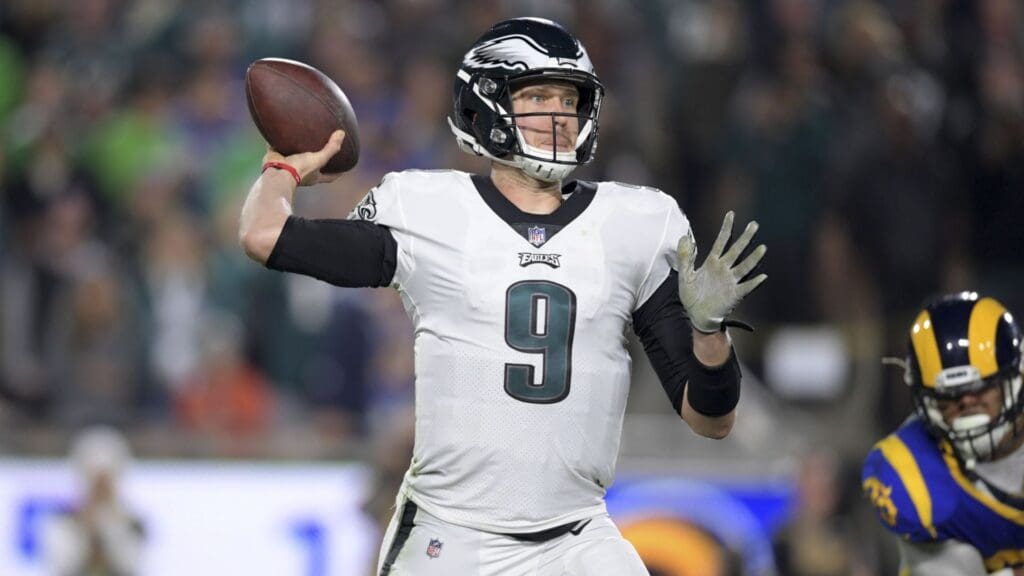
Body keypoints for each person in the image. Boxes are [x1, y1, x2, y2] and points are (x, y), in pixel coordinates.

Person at [239, 17, 766, 576]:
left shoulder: (639, 223)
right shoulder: (425, 208)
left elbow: (712, 419)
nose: (558, 115)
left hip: (577, 536)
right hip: (451, 534)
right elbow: (264, 236)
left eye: (569, 99)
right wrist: (284, 167)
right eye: (537, 96)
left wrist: (709, 334)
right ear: (483, 106)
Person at [862, 292, 1024, 576]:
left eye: (981, 388)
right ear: (928, 400)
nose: (966, 403)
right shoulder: (910, 471)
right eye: (949, 396)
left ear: (1014, 380)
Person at [42, 426, 145, 576]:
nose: (100, 488)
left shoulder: (132, 524)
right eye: (95, 481)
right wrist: (84, 526)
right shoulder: (63, 520)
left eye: (106, 481)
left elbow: (129, 565)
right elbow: (61, 565)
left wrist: (112, 523)